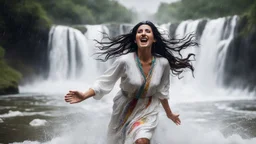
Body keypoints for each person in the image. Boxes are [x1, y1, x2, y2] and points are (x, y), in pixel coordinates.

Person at [64, 21, 197, 144]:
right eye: (139, 32)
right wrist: (84, 95)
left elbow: (162, 91)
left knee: (141, 141)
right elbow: (104, 82)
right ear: (135, 39)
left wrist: (169, 113)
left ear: (154, 38)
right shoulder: (124, 61)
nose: (143, 33)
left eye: (147, 31)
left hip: (148, 108)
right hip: (124, 106)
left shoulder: (163, 63)